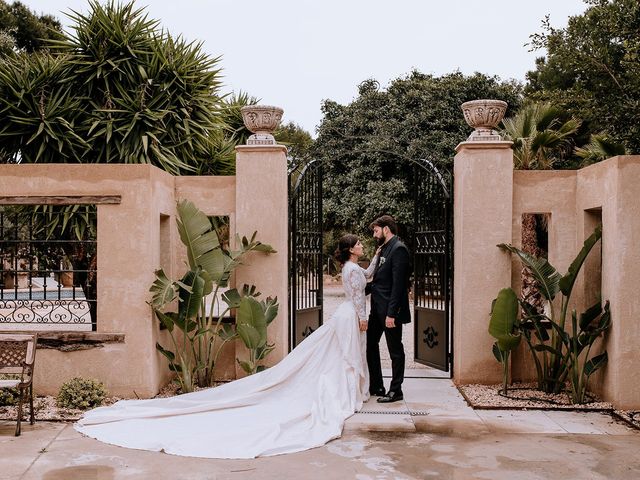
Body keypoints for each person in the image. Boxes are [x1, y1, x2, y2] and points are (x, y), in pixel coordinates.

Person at [74, 234, 377, 459]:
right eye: (360, 245)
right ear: (351, 249)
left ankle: (351, 387)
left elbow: (367, 277)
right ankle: (347, 390)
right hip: (351, 316)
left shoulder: (355, 268)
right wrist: (363, 319)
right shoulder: (351, 270)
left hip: (347, 316)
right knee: (342, 356)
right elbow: (357, 296)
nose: (363, 246)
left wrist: (378, 258)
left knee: (341, 356)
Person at [366, 215, 411, 403]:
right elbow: (379, 280)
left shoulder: (399, 249)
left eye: (376, 231)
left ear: (386, 229)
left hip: (390, 312)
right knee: (370, 344)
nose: (375, 235)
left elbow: (398, 285)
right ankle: (377, 385)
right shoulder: (384, 248)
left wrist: (391, 314)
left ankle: (396, 390)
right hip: (377, 309)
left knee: (395, 350)